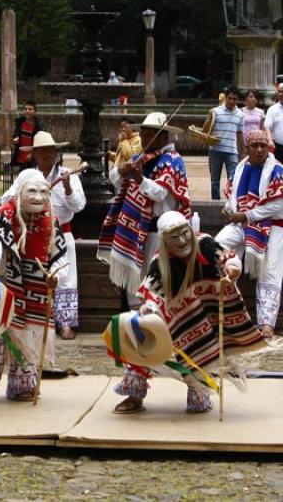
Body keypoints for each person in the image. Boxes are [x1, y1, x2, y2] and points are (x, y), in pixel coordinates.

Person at [111, 211, 265, 414]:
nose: (182, 241)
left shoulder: (206, 244)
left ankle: (199, 391)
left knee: (201, 372)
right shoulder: (160, 263)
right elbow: (150, 295)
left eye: (184, 233)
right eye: (174, 238)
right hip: (176, 317)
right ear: (165, 242)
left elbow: (228, 257)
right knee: (143, 338)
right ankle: (135, 393)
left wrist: (232, 267)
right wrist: (149, 311)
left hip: (208, 311)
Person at [0, 169, 68, 406]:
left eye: (44, 192)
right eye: (32, 191)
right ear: (20, 192)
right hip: (5, 286)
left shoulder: (51, 220)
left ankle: (22, 385)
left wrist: (56, 276)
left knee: (28, 339)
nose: (38, 197)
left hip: (36, 288)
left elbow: (59, 256)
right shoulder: (4, 215)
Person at [98, 112, 191, 308]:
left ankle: (158, 323)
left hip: (161, 232)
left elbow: (159, 193)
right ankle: (135, 322)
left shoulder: (172, 160)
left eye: (150, 134)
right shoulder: (140, 157)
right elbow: (114, 178)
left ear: (163, 136)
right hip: (137, 228)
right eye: (144, 134)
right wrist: (123, 170)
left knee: (157, 279)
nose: (145, 138)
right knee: (136, 279)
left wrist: (140, 178)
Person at [2, 131, 86, 340]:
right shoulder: (29, 177)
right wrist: (26, 196)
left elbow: (79, 206)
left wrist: (66, 188)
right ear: (35, 154)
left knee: (65, 277)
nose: (48, 155)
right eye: (43, 151)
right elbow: (5, 199)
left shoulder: (69, 174)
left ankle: (65, 323)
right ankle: (35, 319)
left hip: (62, 235)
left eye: (52, 151)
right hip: (35, 237)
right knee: (36, 279)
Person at [215, 129, 283, 338]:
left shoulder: (277, 169)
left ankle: (267, 324)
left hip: (272, 225)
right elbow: (233, 196)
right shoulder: (240, 168)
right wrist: (228, 210)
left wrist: (248, 215)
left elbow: (278, 203)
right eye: (255, 146)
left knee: (270, 270)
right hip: (242, 224)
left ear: (268, 147)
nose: (260, 149)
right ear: (247, 148)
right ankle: (224, 312)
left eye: (263, 145)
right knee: (215, 249)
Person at [205, 87, 244, 200]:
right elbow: (208, 130)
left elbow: (240, 133)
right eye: (230, 98)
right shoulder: (215, 111)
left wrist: (243, 152)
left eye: (234, 99)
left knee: (233, 180)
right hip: (215, 150)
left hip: (232, 151)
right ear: (225, 98)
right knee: (215, 180)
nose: (232, 101)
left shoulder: (240, 114)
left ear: (237, 100)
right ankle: (215, 203)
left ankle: (231, 203)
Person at [11, 101, 43, 172]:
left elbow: (41, 143)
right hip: (21, 157)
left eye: (30, 109)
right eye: (25, 109)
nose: (27, 111)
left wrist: (32, 154)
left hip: (33, 159)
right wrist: (14, 140)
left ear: (35, 112)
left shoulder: (38, 126)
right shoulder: (20, 123)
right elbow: (14, 136)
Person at [264, 86, 283, 162]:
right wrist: (269, 141)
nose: (281, 94)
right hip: (277, 148)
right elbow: (267, 126)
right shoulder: (272, 109)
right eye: (279, 91)